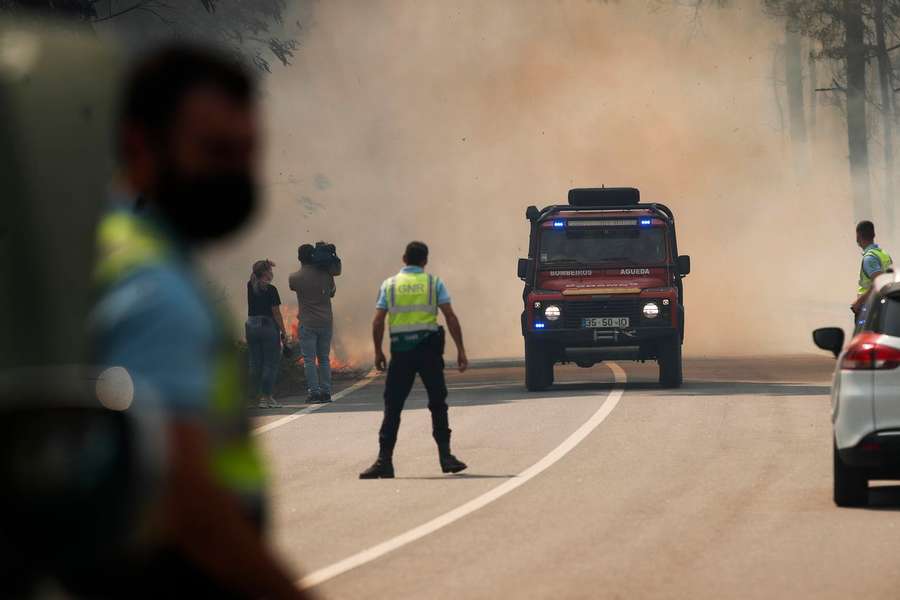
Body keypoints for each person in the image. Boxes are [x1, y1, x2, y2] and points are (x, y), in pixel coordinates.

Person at [89, 45, 307, 599]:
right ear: (141, 145)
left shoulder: (121, 249)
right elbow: (186, 496)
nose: (234, 173)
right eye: (214, 150)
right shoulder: (152, 289)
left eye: (244, 152)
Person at [360, 241, 469, 479]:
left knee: (393, 406)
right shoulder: (433, 283)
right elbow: (450, 316)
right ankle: (446, 456)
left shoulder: (390, 285)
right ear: (425, 261)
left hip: (401, 353)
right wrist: (460, 349)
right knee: (438, 403)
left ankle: (384, 461)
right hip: (428, 352)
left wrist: (378, 351)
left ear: (403, 258)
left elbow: (378, 321)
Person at [289, 243, 340, 403]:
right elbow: (332, 292)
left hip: (307, 322)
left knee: (309, 360)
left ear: (299, 258)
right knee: (324, 358)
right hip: (325, 321)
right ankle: (326, 392)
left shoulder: (294, 278)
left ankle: (314, 393)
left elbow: (294, 288)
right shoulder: (326, 275)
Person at [247, 259, 288, 409]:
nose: (272, 273)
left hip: (251, 326)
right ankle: (266, 397)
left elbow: (255, 275)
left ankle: (255, 397)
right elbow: (276, 313)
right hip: (267, 326)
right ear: (266, 273)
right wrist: (284, 332)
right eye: (270, 270)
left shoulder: (250, 285)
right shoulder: (271, 289)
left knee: (255, 363)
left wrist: (263, 264)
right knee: (270, 364)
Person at [852, 220, 893, 327]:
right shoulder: (883, 254)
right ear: (873, 235)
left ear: (858, 236)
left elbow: (879, 282)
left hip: (869, 309)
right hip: (884, 306)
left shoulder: (869, 258)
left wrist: (859, 302)